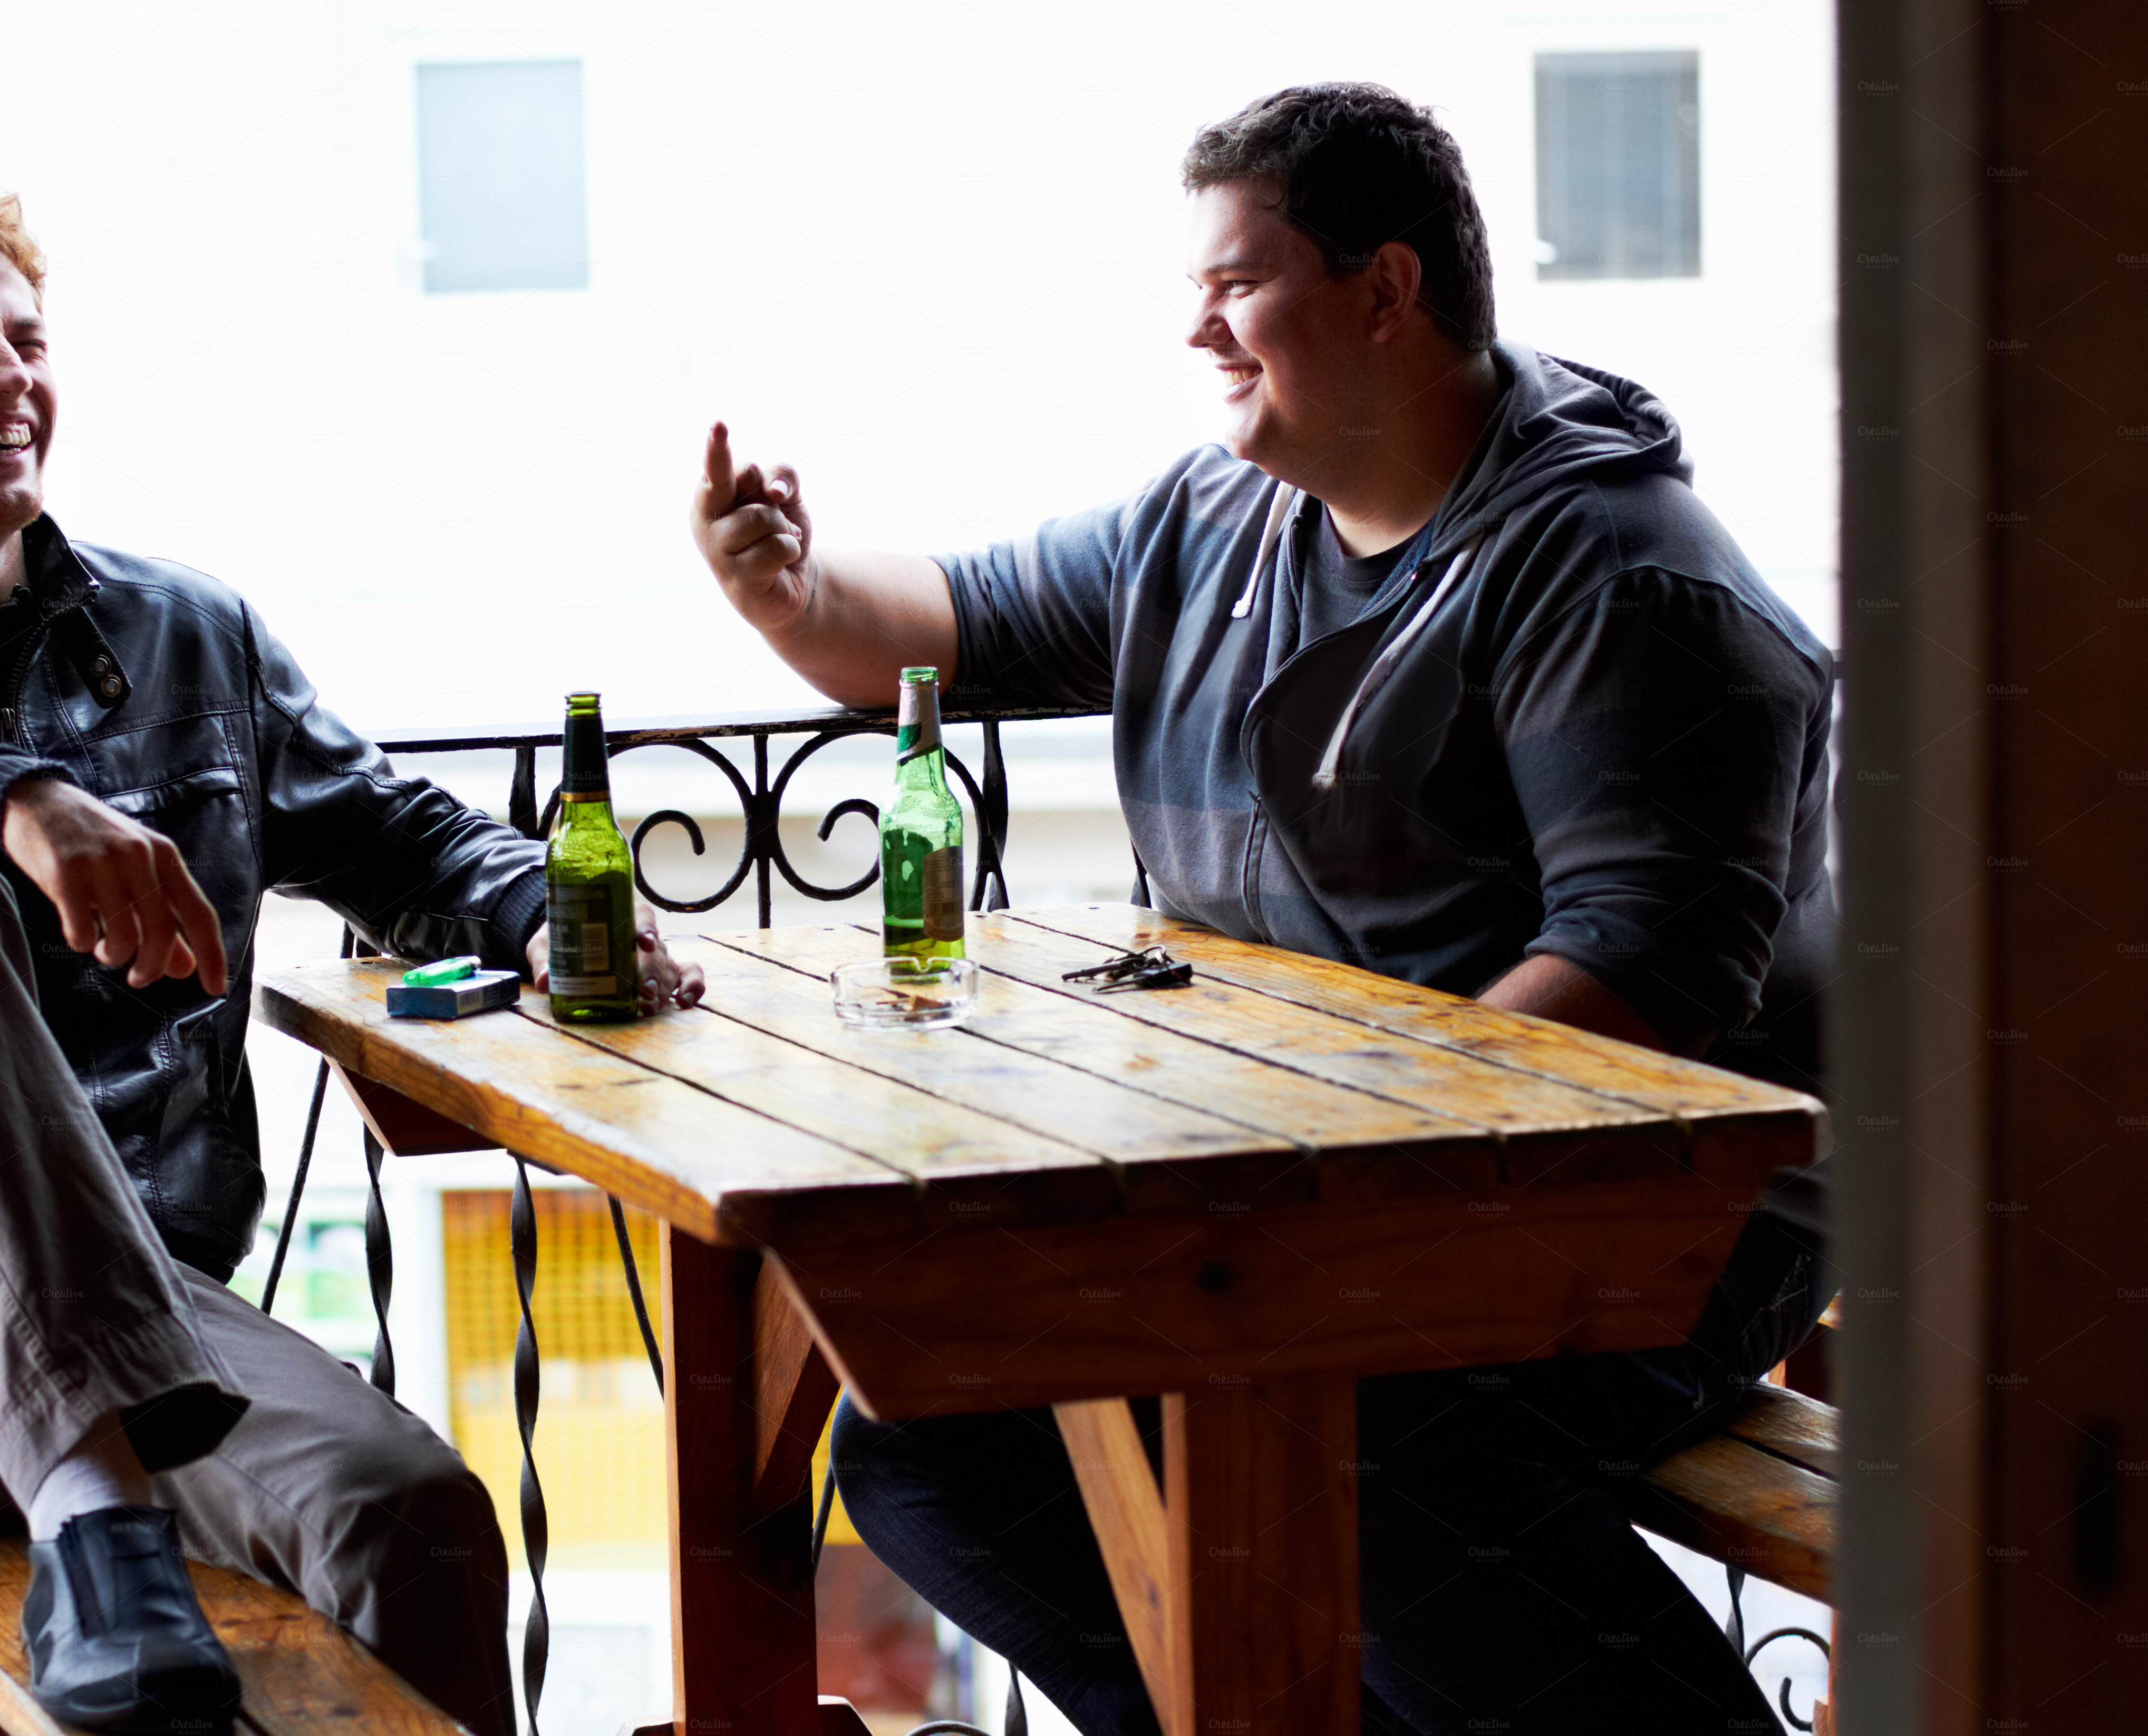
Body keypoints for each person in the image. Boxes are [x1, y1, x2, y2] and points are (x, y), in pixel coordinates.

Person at [692, 84, 1831, 1736]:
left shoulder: (1619, 575)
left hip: (1660, 1204)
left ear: (1385, 290)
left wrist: (1291, 1198)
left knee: (1345, 1436)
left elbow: (1631, 985)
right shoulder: (1214, 521)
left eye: (1236, 284)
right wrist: (791, 593)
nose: (1197, 330)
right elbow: (948, 624)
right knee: (929, 1439)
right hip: (1313, 1197)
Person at [0, 173, 704, 1736]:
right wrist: (12, 799)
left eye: (28, 341)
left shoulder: (188, 638)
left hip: (136, 1305)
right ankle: (93, 1519)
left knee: (410, 1520)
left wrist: (546, 909)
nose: (9, 379)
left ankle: (99, 1498)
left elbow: (395, 833)